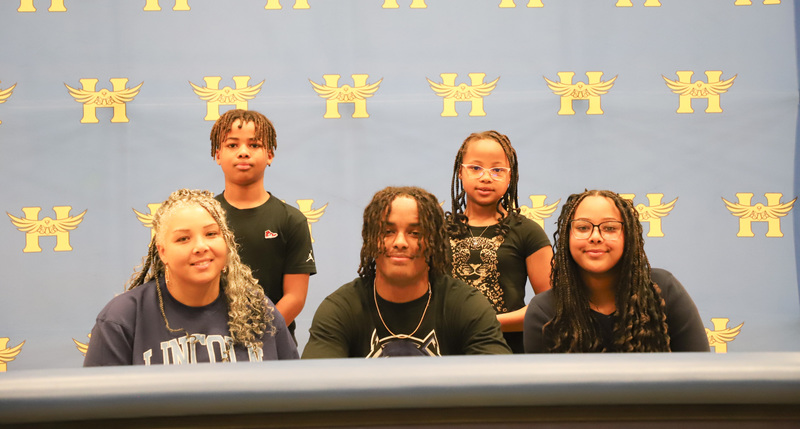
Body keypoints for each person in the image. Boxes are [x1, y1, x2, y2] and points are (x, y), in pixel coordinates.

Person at [84, 189, 298, 366]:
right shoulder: (122, 319)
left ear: (226, 242)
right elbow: (99, 401)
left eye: (211, 234)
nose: (200, 247)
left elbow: (291, 392)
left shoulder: (260, 311)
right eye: (183, 239)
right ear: (162, 251)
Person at [302, 186, 511, 358]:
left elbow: (499, 383)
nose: (400, 242)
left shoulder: (466, 305)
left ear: (434, 242)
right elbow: (315, 384)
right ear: (370, 239)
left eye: (415, 233)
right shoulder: (341, 309)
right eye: (388, 232)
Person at [523, 190, 709, 353]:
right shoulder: (544, 311)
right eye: (583, 228)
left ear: (628, 236)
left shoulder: (663, 290)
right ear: (567, 237)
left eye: (610, 228)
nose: (595, 237)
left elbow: (699, 370)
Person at [210, 109, 316, 340]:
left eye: (254, 145)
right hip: (212, 342)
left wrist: (257, 335)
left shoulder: (291, 220)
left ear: (269, 155)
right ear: (218, 155)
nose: (243, 152)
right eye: (232, 145)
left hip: (273, 344)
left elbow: (295, 297)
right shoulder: (204, 217)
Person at [446, 131, 553, 353]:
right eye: (475, 168)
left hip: (508, 352)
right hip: (447, 351)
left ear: (510, 176)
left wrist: (487, 323)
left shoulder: (528, 232)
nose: (486, 177)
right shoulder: (438, 232)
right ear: (460, 172)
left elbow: (550, 306)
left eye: (497, 170)